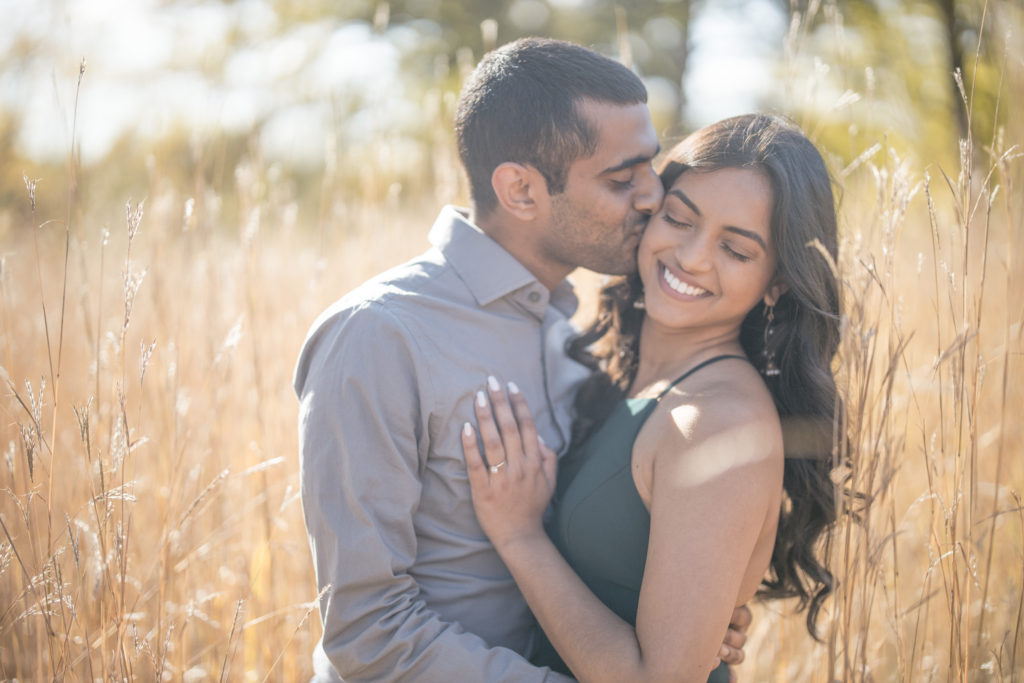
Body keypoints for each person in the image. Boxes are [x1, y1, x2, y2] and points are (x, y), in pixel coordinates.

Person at [294, 38, 749, 682]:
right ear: (521, 190)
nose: (654, 196)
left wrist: (681, 618)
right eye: (622, 178)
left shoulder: (570, 329)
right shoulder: (379, 336)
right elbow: (367, 633)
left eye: (651, 165)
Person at [462, 113, 841, 682]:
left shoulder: (714, 422)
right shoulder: (632, 373)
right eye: (679, 218)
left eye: (736, 250)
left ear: (778, 282)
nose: (691, 257)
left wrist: (520, 537)